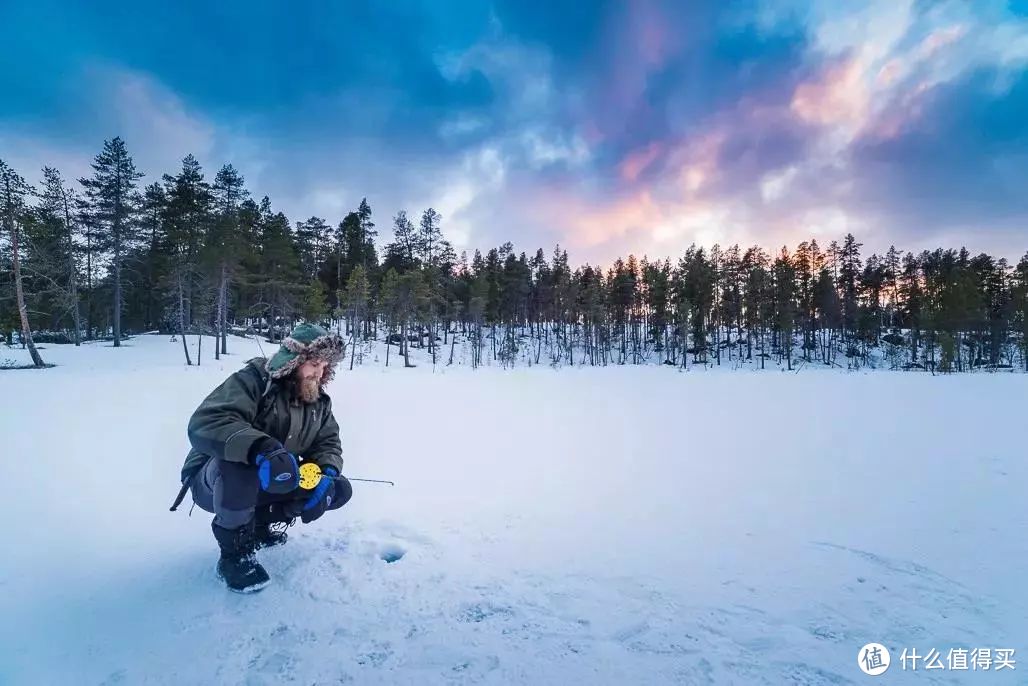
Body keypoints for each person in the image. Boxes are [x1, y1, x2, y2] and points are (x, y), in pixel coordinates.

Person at [171, 323, 353, 593]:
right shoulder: (254, 381)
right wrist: (261, 447)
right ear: (295, 360)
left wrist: (327, 470)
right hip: (213, 481)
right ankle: (234, 556)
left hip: (272, 479)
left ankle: (258, 526)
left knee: (338, 489)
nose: (320, 372)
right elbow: (207, 421)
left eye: (325, 365)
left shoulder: (318, 402)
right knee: (241, 469)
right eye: (315, 363)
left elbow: (328, 442)